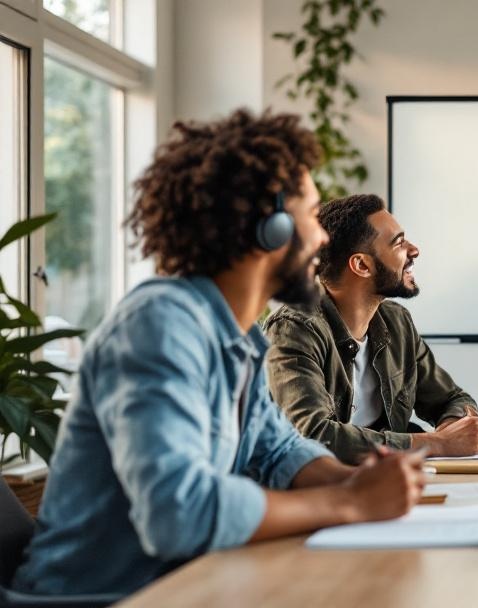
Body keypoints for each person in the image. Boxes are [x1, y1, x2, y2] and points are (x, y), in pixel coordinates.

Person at [13, 110, 425, 597]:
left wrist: (352, 479)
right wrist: (350, 503)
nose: (321, 240)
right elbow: (177, 512)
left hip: (185, 588)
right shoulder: (161, 326)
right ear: (268, 228)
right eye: (310, 218)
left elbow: (277, 450)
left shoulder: (235, 337)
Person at [265, 194, 478, 463]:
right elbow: (314, 435)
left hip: (387, 484)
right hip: (319, 492)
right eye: (398, 243)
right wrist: (436, 443)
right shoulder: (294, 329)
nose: (414, 250)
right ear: (362, 265)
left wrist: (453, 427)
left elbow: (452, 399)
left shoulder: (396, 322)